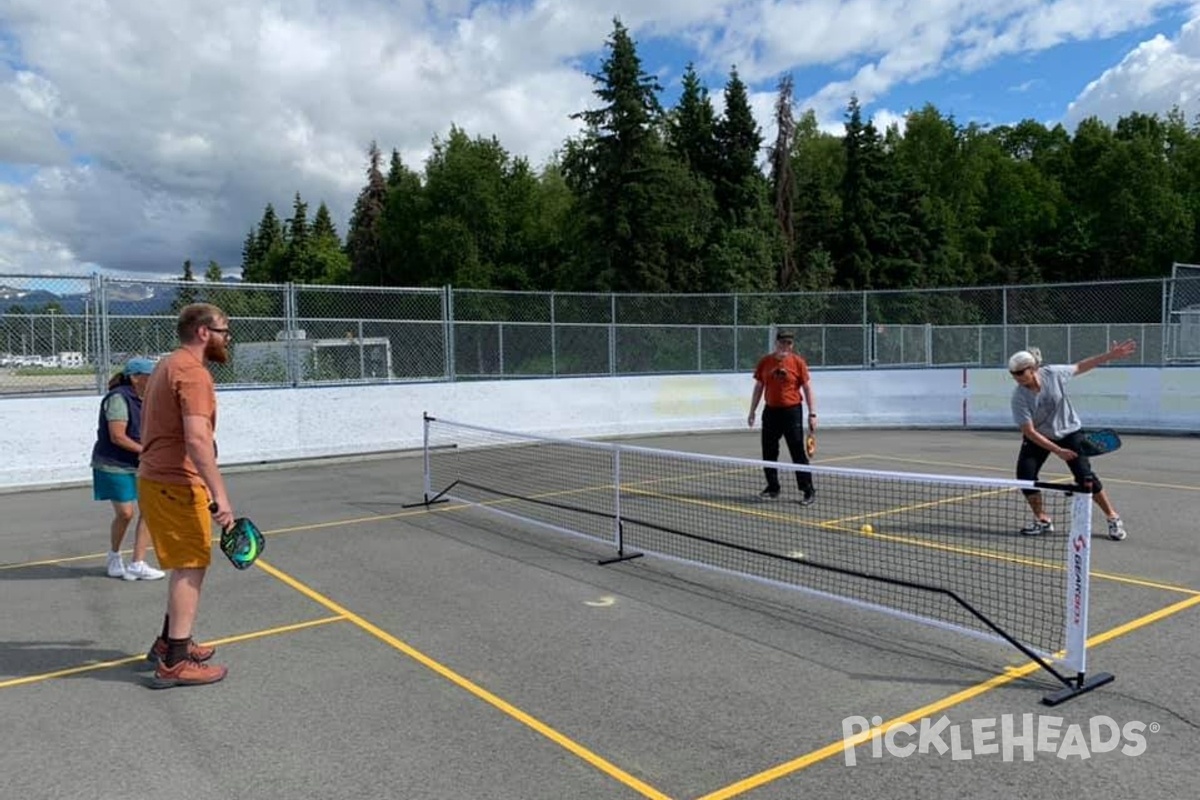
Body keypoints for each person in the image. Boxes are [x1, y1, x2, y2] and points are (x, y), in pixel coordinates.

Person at [138, 303, 235, 688]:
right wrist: (221, 496)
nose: (228, 338)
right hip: (176, 483)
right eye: (225, 330)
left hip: (159, 480)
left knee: (185, 565)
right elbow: (197, 440)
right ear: (203, 332)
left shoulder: (167, 363)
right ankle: (175, 662)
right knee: (191, 566)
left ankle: (169, 643)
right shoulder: (193, 374)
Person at [1008, 340, 1136, 540]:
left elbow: (1080, 366)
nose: (1016, 378)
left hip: (1070, 432)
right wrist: (1058, 451)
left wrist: (1110, 355)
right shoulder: (1019, 397)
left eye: (1019, 373)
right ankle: (1042, 520)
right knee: (1025, 476)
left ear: (1032, 369)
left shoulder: (1053, 374)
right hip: (1039, 436)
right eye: (1013, 374)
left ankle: (1112, 518)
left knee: (1085, 477)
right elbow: (1030, 431)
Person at [92, 357, 166, 581]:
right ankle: (114, 556)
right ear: (135, 378)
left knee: (150, 510)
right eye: (151, 376)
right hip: (114, 464)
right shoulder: (118, 398)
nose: (156, 380)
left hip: (140, 463)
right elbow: (117, 436)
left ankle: (138, 563)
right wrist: (147, 451)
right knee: (125, 513)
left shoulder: (149, 399)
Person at [748, 330, 817, 504]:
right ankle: (773, 487)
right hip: (770, 412)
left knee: (797, 452)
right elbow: (759, 387)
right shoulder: (765, 362)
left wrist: (812, 414)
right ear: (776, 343)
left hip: (792, 411)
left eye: (789, 343)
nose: (786, 346)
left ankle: (807, 489)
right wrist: (752, 411)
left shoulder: (797, 362)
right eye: (783, 343)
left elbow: (807, 389)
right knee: (769, 450)